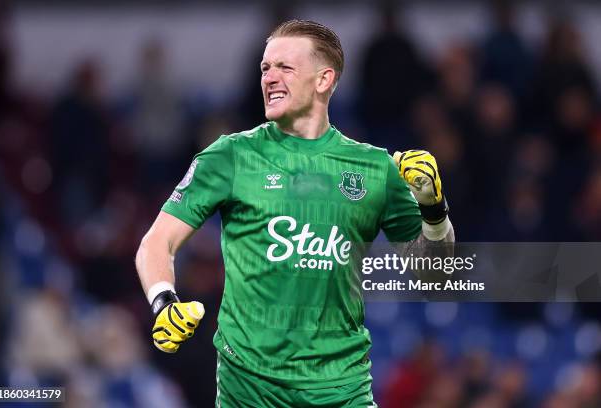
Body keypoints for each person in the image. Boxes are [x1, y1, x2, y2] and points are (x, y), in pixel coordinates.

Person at [135, 19, 454, 407]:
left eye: (285, 67)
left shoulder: (375, 168)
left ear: (324, 80)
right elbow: (156, 242)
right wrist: (164, 301)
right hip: (249, 391)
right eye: (265, 68)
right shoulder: (230, 156)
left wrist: (434, 212)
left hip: (341, 391)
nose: (270, 78)